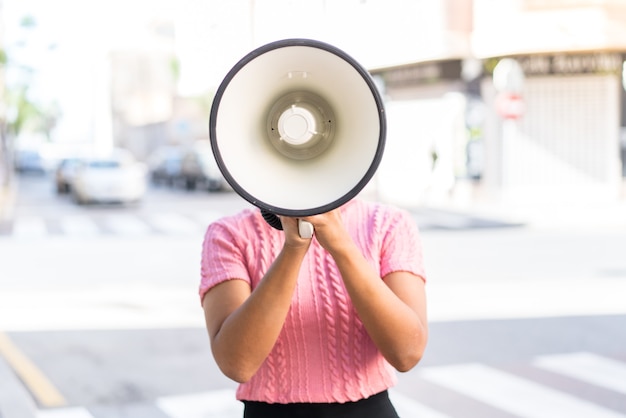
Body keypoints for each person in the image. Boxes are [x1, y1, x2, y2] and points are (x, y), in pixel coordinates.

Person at [199, 197, 428, 418]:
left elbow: (406, 354)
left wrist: (341, 245)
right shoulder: (229, 233)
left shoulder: (388, 223)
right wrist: (293, 248)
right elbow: (238, 364)